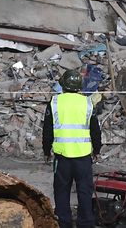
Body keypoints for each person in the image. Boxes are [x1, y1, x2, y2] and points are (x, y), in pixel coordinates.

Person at [42, 69, 102, 228]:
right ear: (79, 86)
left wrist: (46, 151)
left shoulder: (54, 103)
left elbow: (47, 130)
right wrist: (97, 150)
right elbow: (95, 130)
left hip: (62, 158)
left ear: (63, 85)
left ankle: (63, 223)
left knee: (61, 192)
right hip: (83, 158)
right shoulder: (87, 103)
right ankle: (86, 223)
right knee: (84, 192)